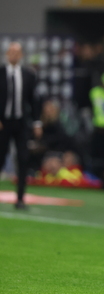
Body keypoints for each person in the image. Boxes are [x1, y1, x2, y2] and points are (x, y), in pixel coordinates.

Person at [0, 42, 41, 209]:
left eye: (17, 52)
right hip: (3, 123)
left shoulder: (28, 75)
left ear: (22, 55)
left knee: (23, 159)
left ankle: (20, 198)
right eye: (11, 52)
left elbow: (34, 101)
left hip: (21, 122)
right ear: (6, 54)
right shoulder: (0, 73)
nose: (14, 55)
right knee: (0, 157)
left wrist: (37, 122)